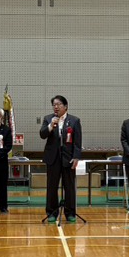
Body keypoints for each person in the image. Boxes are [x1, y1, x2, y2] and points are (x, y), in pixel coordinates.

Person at [39, 95, 82, 223]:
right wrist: (51, 125)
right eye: (54, 105)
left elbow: (77, 142)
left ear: (65, 106)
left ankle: (70, 213)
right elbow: (42, 134)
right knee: (51, 186)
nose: (56, 107)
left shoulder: (74, 121)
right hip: (53, 158)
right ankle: (52, 212)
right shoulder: (48, 119)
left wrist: (76, 157)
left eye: (58, 104)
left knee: (69, 187)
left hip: (68, 158)